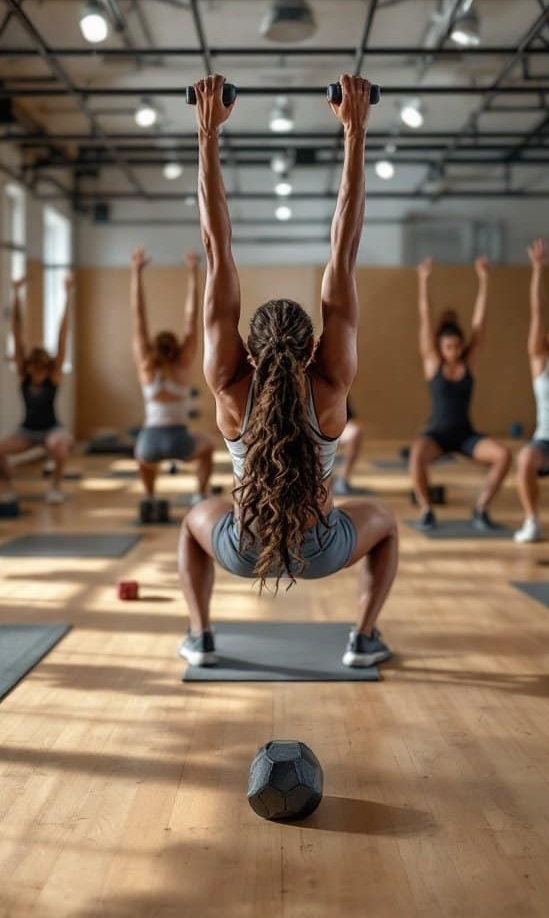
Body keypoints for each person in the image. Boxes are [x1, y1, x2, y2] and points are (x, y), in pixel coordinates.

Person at [177, 73, 397, 669]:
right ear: (314, 347)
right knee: (384, 524)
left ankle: (200, 637)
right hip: (320, 550)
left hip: (242, 549)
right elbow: (344, 246)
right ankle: (363, 639)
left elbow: (216, 246)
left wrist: (207, 134)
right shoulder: (331, 384)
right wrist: (354, 133)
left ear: (249, 350)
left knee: (193, 523)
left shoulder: (229, 386)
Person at [410, 256, 511, 531]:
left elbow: (480, 324)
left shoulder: (469, 362)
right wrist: (423, 280)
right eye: (448, 347)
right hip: (438, 435)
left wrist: (484, 280)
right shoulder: (433, 363)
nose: (453, 351)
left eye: (457, 346)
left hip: (466, 435)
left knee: (503, 455)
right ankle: (427, 510)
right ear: (440, 347)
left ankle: (481, 509)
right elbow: (425, 318)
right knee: (416, 455)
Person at [130, 248, 214, 505]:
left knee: (142, 456)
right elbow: (192, 319)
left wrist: (136, 272)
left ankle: (149, 497)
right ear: (177, 347)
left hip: (150, 439)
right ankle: (199, 494)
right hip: (180, 439)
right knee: (208, 446)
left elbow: (139, 316)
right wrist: (192, 272)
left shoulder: (146, 366)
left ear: (153, 347)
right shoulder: (182, 364)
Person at [0, 274, 74, 504]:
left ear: (46, 368)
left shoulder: (53, 376)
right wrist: (16, 293)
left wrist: (67, 295)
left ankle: (55, 488)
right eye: (33, 369)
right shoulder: (23, 375)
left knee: (60, 446)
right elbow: (17, 333)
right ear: (28, 368)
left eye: (41, 370)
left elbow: (62, 335)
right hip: (27, 430)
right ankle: (9, 489)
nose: (37, 373)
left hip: (51, 429)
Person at [514, 239, 549, 542]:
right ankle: (532, 521)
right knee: (525, 459)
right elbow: (538, 313)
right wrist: (538, 271)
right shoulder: (541, 362)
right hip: (548, 442)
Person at [332, 398, 364, 496]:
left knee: (356, 432)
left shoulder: (339, 391)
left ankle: (342, 480)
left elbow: (348, 417)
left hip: (332, 427)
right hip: (310, 428)